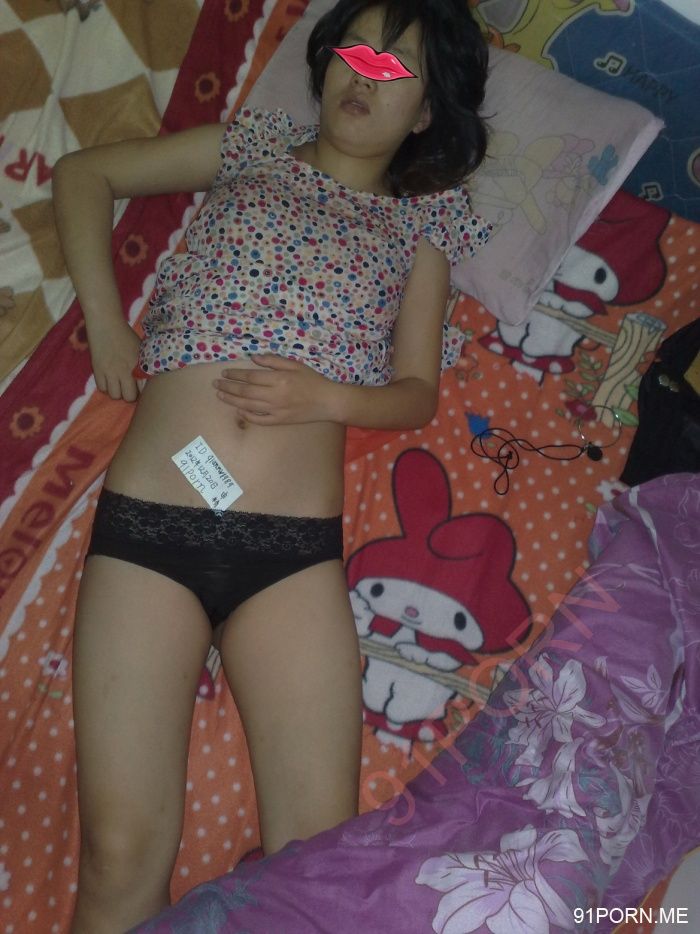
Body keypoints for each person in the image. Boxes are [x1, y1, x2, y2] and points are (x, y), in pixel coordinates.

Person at [51, 1, 490, 930]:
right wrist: (106, 321)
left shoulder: (422, 228)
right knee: (119, 855)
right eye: (355, 52)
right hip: (151, 528)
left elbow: (416, 393)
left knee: (314, 869)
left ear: (425, 112)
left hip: (290, 560)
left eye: (397, 66)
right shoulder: (251, 147)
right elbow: (85, 173)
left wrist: (329, 398)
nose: (365, 74)